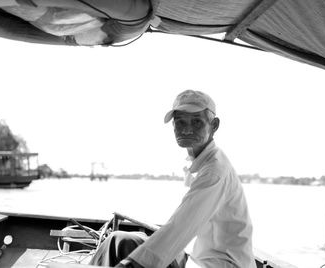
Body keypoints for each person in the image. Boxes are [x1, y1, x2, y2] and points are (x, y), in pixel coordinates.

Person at [89, 90, 256, 268]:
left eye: (197, 122)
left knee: (132, 258)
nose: (186, 129)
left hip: (218, 265)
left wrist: (132, 264)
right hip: (196, 258)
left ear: (214, 125)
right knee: (119, 241)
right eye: (180, 122)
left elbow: (181, 226)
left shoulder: (214, 171)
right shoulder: (201, 163)